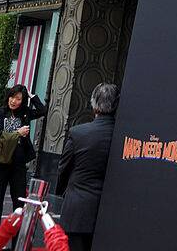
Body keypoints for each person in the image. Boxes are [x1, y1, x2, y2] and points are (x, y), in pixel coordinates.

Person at [55, 82, 119, 251]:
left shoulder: (78, 133)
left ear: (93, 104)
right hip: (110, 213)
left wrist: (62, 191)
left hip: (76, 209)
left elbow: (63, 169)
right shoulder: (123, 139)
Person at [0, 84, 47, 240]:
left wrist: (33, 97)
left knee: (19, 204)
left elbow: (42, 111)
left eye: (18, 98)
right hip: (0, 163)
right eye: (12, 97)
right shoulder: (1, 112)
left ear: (23, 100)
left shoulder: (25, 113)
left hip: (18, 164)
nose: (13, 101)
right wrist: (17, 133)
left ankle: (16, 244)